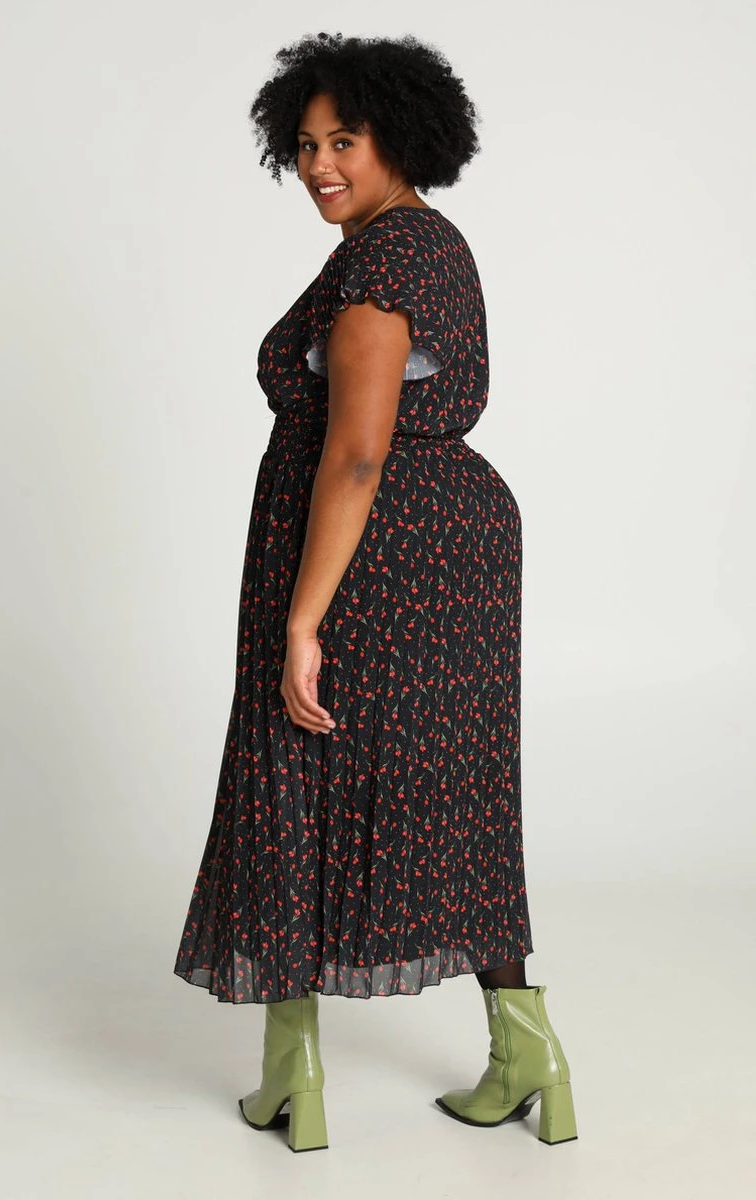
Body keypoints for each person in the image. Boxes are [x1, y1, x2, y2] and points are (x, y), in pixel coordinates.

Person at [173, 31, 577, 1153]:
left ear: (399, 136)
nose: (317, 165)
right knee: (456, 792)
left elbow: (356, 452)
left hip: (374, 556)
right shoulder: (427, 244)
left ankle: (292, 1077)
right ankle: (530, 1053)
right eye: (304, 144)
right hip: (447, 549)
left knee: (293, 771)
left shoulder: (381, 264)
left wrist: (302, 620)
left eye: (341, 140)